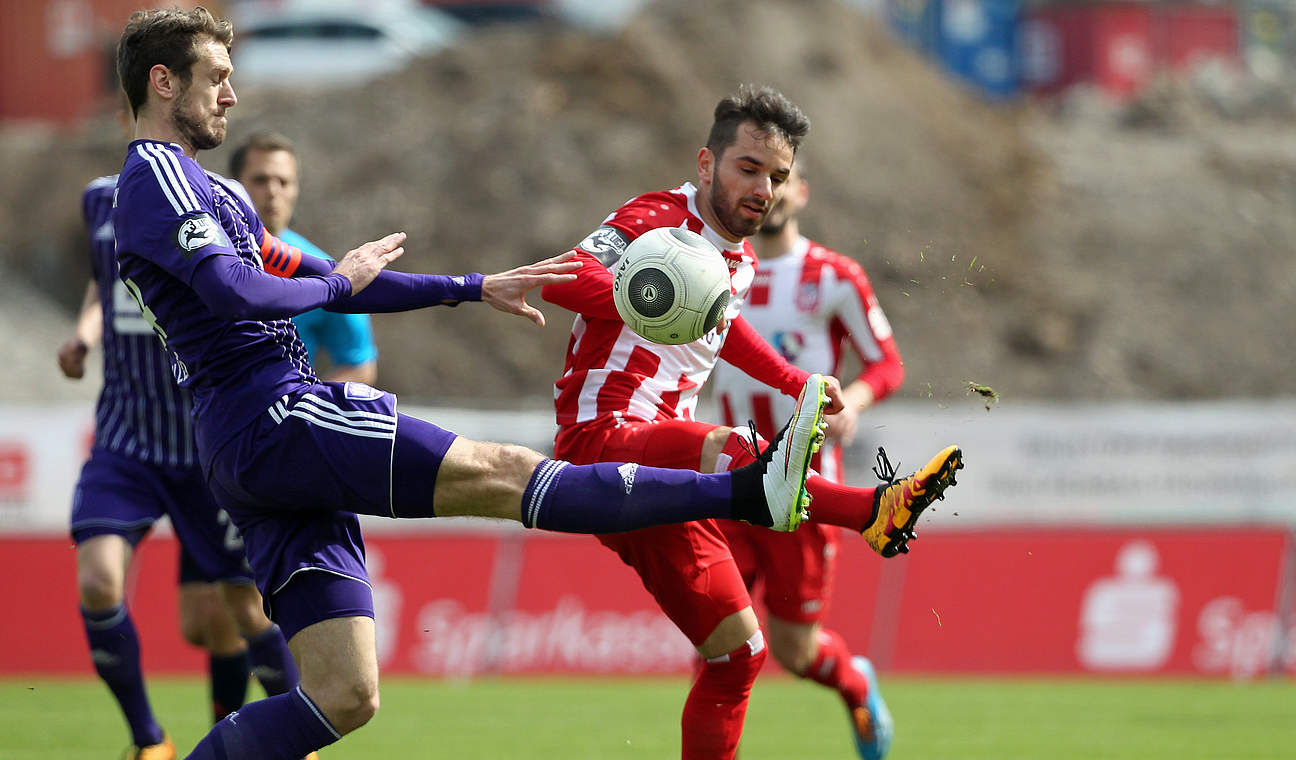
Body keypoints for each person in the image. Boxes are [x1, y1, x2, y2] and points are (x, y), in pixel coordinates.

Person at [111, 9, 826, 759]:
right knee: (507, 473)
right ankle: (747, 492)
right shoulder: (156, 176)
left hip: (250, 444)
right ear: (163, 82)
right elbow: (239, 292)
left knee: (344, 696)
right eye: (216, 78)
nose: (230, 95)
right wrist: (337, 285)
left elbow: (319, 281)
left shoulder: (207, 189)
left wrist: (473, 285)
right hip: (272, 410)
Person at [539, 85, 962, 760]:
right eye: (748, 168)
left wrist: (801, 385)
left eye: (778, 176)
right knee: (740, 451)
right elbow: (560, 279)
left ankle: (855, 617)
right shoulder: (657, 218)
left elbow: (724, 331)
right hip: (605, 439)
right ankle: (873, 511)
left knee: (741, 656)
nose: (763, 188)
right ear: (707, 165)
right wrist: (652, 292)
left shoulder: (742, 263)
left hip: (669, 476)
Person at [58, 171, 301, 759]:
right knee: (98, 580)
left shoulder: (218, 199)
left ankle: (296, 740)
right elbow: (102, 279)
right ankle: (150, 742)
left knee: (238, 613)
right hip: (126, 440)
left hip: (204, 445)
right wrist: (85, 334)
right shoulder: (98, 198)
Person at [706, 160, 904, 760]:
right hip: (730, 481)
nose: (769, 192)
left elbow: (887, 363)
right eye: (757, 178)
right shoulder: (711, 272)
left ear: (800, 192)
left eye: (782, 179)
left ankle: (855, 683)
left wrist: (855, 405)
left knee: (795, 652)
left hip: (806, 492)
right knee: (716, 639)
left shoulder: (835, 276)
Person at [230, 131, 378, 384]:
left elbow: (360, 365)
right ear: (234, 185)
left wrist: (303, 407)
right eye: (260, 180)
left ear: (296, 189)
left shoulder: (325, 272)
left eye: (284, 182)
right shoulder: (207, 253)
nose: (273, 191)